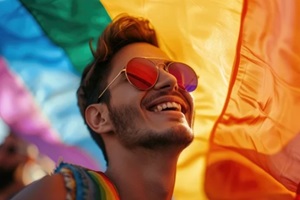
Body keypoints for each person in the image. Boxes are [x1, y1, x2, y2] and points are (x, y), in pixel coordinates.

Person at [12, 14, 198, 200]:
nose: (172, 80)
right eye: (140, 74)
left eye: (179, 74)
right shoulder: (59, 193)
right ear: (100, 118)